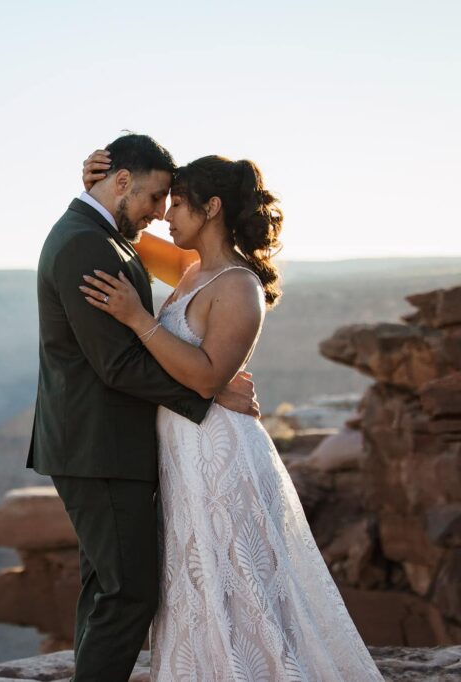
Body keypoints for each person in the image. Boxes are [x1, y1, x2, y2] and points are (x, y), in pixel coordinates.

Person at [80, 150, 381, 680]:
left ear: (211, 207)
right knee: (196, 587)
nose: (165, 216)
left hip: (217, 456)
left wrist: (135, 318)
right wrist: (97, 184)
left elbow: (205, 377)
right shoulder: (191, 267)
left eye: (177, 205)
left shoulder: (239, 285)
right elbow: (120, 228)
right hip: (184, 451)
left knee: (239, 589)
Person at [26, 133, 260, 681]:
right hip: (100, 446)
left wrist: (99, 192)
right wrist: (210, 388)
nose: (160, 212)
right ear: (124, 182)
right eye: (157, 197)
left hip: (102, 445)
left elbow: (165, 292)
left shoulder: (105, 234)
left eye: (172, 201)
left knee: (109, 589)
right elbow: (116, 365)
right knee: (129, 595)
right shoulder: (88, 242)